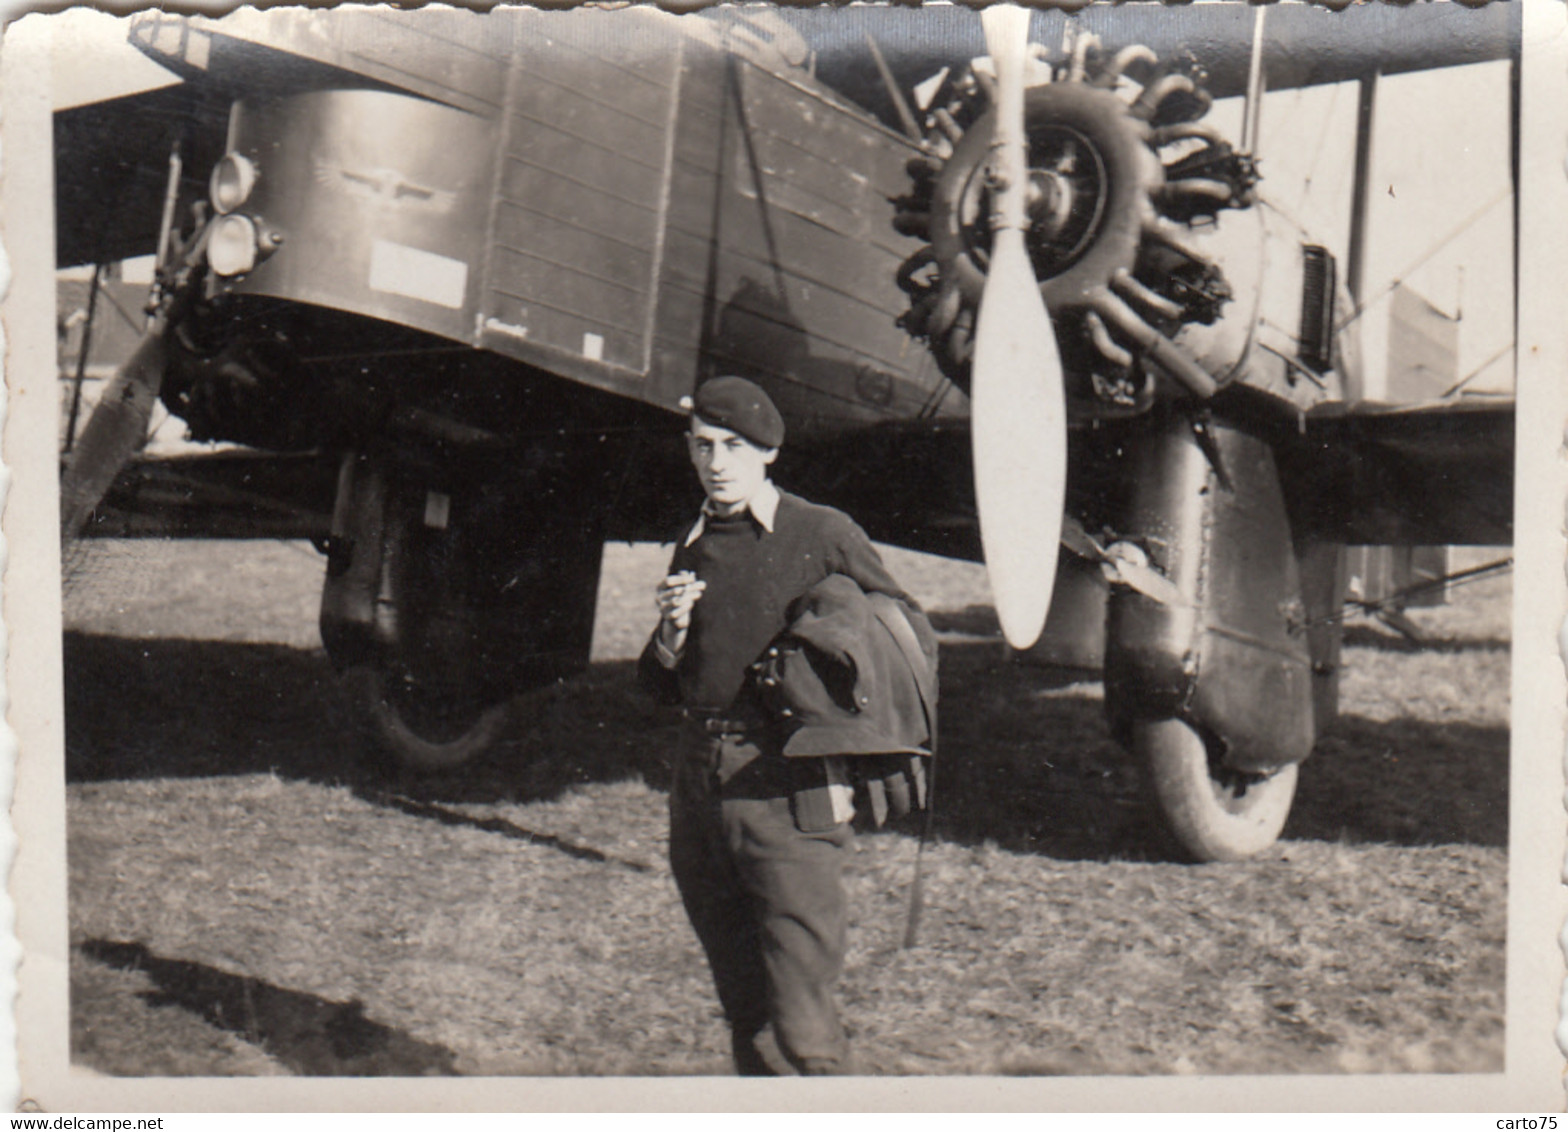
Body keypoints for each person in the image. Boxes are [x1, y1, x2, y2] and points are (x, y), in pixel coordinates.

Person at [638, 375, 927, 1076]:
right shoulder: (695, 538)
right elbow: (658, 686)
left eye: (734, 447)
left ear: (767, 452)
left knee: (803, 1019)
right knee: (746, 1007)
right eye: (703, 446)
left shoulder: (821, 532)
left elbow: (908, 635)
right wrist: (671, 634)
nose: (716, 462)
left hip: (789, 784)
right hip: (699, 781)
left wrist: (821, 662)